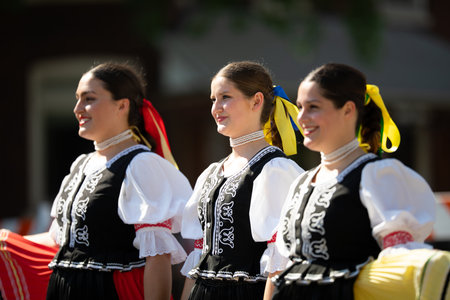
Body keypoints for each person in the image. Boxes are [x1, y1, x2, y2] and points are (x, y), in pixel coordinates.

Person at [1, 62, 193, 300]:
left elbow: (157, 257)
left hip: (110, 291)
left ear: (122, 105)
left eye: (89, 99)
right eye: (77, 99)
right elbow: (60, 240)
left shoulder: (141, 165)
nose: (77, 108)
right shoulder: (81, 164)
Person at [269, 63, 442, 300]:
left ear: (348, 110)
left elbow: (400, 267)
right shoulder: (301, 182)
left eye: (313, 107)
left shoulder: (377, 176)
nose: (301, 118)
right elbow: (281, 268)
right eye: (300, 107)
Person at [179, 61, 305, 300]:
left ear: (256, 101)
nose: (217, 108)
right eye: (213, 99)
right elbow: (197, 258)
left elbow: (280, 263)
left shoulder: (275, 170)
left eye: (225, 97)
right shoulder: (212, 173)